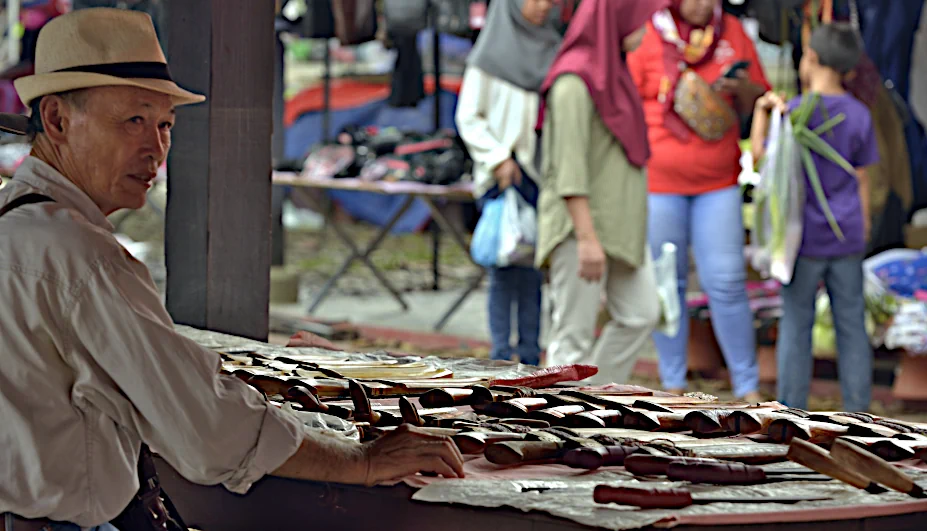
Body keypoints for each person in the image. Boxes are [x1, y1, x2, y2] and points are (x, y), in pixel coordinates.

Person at [0, 9, 462, 530]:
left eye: (165, 125)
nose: (155, 149)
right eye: (133, 120)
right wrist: (364, 460)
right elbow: (205, 425)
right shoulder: (79, 257)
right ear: (58, 120)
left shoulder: (18, 225)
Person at [627, 0, 770, 401]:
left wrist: (742, 90)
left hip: (718, 182)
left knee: (726, 282)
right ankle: (673, 383)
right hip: (659, 182)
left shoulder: (733, 33)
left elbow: (761, 97)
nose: (704, 4)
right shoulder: (649, 33)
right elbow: (624, 102)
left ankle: (747, 386)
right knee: (666, 285)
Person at [536, 0, 666, 385]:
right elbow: (569, 167)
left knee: (641, 313)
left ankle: (591, 401)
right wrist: (587, 238)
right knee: (572, 337)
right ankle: (553, 430)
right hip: (581, 230)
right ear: (617, 18)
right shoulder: (573, 82)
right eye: (641, 20)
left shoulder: (613, 76)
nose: (646, 30)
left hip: (616, 227)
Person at [751, 23, 878, 413]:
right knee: (852, 327)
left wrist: (761, 112)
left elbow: (759, 157)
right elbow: (863, 179)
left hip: (801, 240)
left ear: (812, 59)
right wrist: (864, 226)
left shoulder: (796, 112)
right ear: (850, 69)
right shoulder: (859, 115)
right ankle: (859, 412)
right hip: (847, 238)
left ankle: (792, 411)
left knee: (796, 322)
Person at [456, 0, 560, 366]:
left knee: (533, 271)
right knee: (503, 269)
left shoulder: (554, 49)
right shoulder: (489, 56)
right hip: (502, 175)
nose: (542, 6)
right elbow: (468, 115)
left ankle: (530, 356)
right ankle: (501, 356)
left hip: (539, 175)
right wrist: (498, 156)